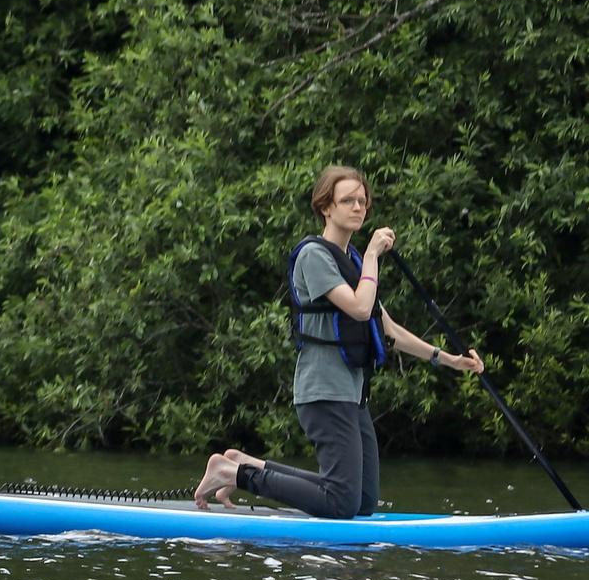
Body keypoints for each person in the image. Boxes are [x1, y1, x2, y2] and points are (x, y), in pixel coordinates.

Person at [195, 165, 484, 514]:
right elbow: (360, 309)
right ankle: (235, 474)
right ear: (326, 207)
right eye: (348, 200)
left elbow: (387, 329)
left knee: (362, 502)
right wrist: (373, 256)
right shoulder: (313, 255)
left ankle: (245, 464)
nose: (358, 207)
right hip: (323, 390)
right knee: (342, 502)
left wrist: (448, 359)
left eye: (362, 201)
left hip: (352, 394)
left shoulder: (353, 261)